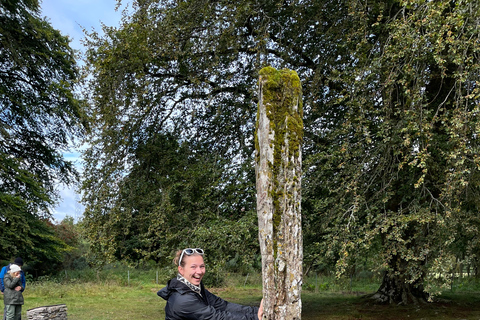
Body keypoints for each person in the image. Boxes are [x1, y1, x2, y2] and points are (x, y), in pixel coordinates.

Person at [158, 248, 264, 320]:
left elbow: (223, 306)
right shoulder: (183, 300)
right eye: (193, 267)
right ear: (181, 270)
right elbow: (217, 317)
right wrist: (256, 317)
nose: (199, 271)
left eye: (202, 266)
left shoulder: (194, 288)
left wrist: (258, 311)